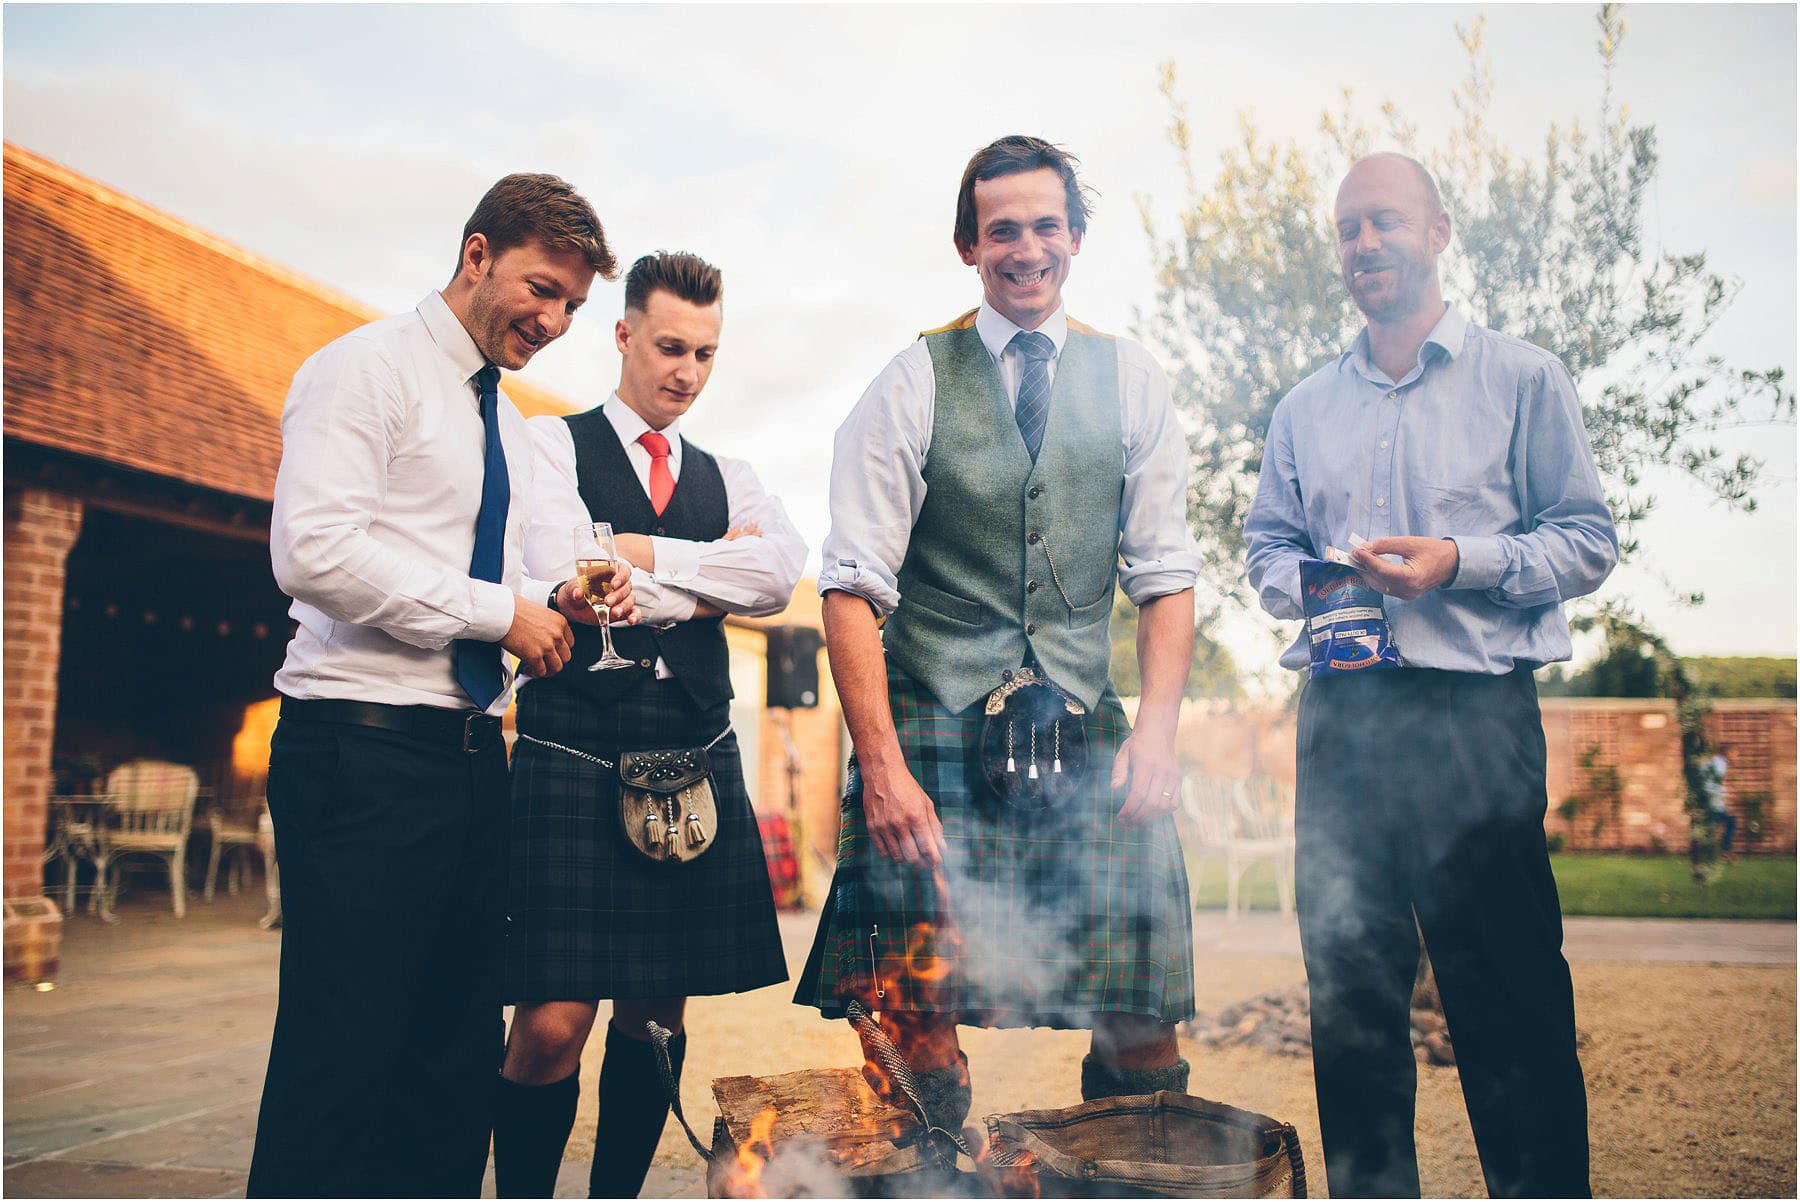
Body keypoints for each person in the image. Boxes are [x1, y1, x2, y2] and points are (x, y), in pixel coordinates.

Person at [796, 135, 1203, 1128]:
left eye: (1045, 225)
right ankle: (925, 1171)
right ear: (968, 246)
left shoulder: (1134, 380)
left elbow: (1165, 576)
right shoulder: (912, 380)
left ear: (1075, 236)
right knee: (915, 1015)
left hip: (1082, 722)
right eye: (1002, 229)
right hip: (932, 721)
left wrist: (1154, 735)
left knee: (1141, 1016)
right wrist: (881, 769)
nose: (1026, 248)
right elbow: (849, 588)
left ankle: (1123, 1182)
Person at [251, 173, 636, 1198]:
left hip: (471, 762)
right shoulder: (362, 370)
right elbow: (313, 550)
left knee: (450, 1069)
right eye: (541, 289)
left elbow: (480, 578)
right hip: (360, 753)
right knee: (344, 1063)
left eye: (572, 307)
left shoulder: (503, 421)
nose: (552, 321)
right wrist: (495, 611)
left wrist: (549, 594)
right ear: (477, 255)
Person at [1245, 152, 1618, 1198]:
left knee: (1509, 1006)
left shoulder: (1523, 377)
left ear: (1440, 230)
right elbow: (1265, 545)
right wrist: (1308, 583)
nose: (1364, 245)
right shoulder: (1302, 408)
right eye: (1349, 229)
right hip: (1343, 718)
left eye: (1384, 222)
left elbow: (1587, 538)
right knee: (1352, 1011)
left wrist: (1465, 559)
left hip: (1474, 724)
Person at [493, 251, 803, 1198]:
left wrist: (641, 556)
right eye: (671, 346)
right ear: (623, 334)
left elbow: (777, 577)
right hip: (571, 747)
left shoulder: (732, 472)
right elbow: (558, 563)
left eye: (706, 353)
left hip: (692, 749)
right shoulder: (550, 445)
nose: (688, 371)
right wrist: (708, 580)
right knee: (552, 1019)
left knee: (656, 1016)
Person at [1705, 750, 1736, 854]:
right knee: (1728, 823)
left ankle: (1724, 849)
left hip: (1716, 804)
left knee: (1729, 822)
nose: (1736, 756)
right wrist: (1725, 792)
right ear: (1728, 752)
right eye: (1735, 753)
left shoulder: (1719, 763)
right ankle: (1724, 849)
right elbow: (1714, 784)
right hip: (1713, 804)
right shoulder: (1720, 763)